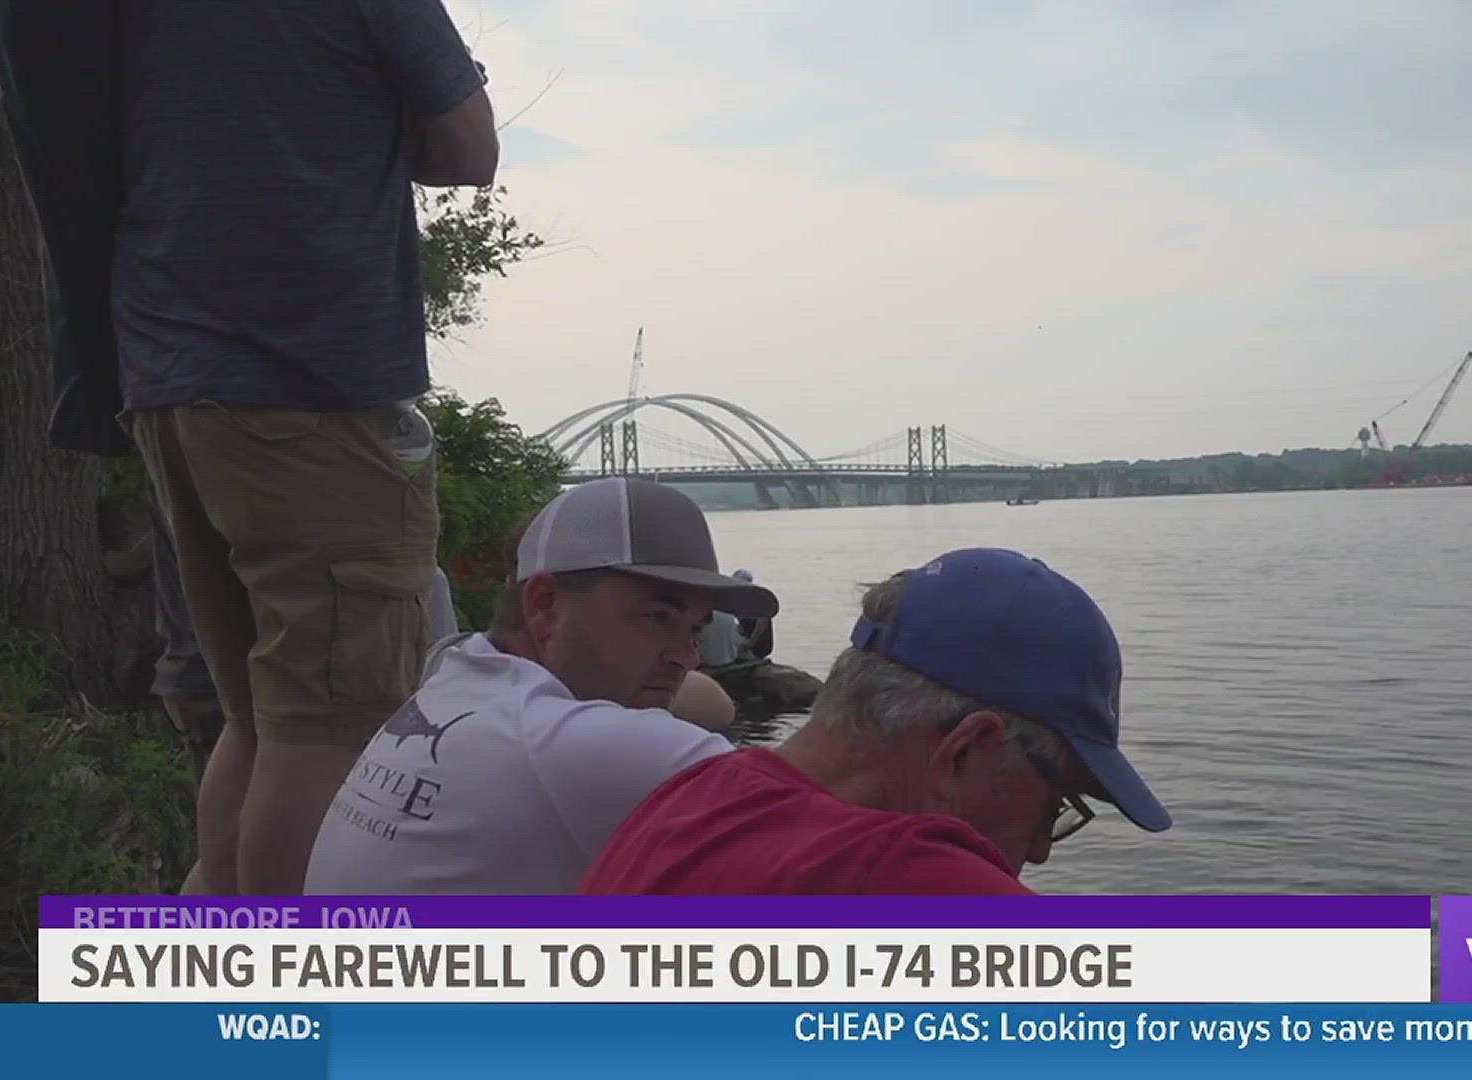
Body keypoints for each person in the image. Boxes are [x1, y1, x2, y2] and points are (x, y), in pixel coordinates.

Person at [107, 1, 499, 894]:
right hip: (308, 394)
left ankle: (216, 997)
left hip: (172, 386)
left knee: (260, 719)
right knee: (333, 727)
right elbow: (468, 149)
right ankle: (291, 1006)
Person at [577, 547, 1171, 895]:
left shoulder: (686, 800)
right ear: (966, 750)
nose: (1040, 850)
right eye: (1055, 803)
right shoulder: (917, 883)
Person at [303, 478, 778, 895]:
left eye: (694, 630)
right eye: (658, 617)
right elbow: (831, 828)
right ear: (546, 605)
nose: (687, 657)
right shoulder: (567, 740)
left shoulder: (457, 676)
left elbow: (709, 705)